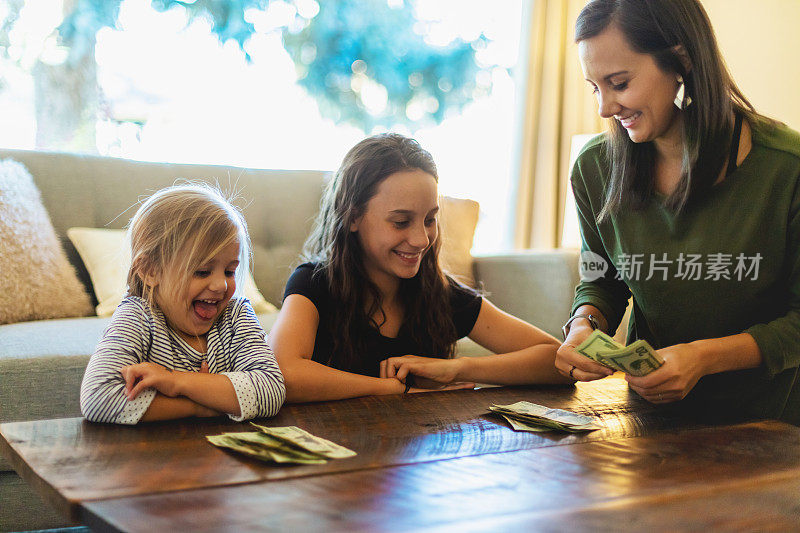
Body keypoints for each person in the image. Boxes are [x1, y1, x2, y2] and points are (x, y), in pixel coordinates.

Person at [558, 0, 800, 424]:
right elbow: (602, 280)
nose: (605, 108)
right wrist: (585, 324)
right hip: (647, 421)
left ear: (681, 59)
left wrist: (704, 357)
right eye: (594, 87)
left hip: (770, 427)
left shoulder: (786, 167)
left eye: (619, 82)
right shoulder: (594, 169)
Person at [269, 133, 569, 402]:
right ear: (353, 218)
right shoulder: (315, 282)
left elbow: (557, 362)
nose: (421, 239)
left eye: (429, 219)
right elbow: (283, 373)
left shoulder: (440, 293)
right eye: (401, 222)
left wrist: (457, 368)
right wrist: (390, 389)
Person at [80, 184, 285, 424]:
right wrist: (203, 405)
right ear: (150, 270)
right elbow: (98, 399)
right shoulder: (138, 317)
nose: (221, 285)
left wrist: (176, 381)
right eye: (202, 271)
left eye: (229, 271)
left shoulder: (236, 315)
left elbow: (271, 391)